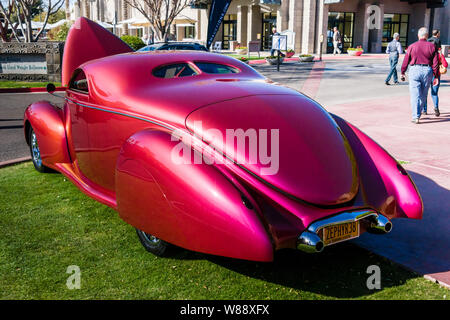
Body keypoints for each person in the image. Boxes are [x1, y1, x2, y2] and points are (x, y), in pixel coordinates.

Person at [401, 27, 439, 124]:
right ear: (427, 36)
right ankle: (419, 113)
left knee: (415, 95)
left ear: (418, 35)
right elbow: (435, 63)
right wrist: (436, 76)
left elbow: (406, 60)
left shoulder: (412, 46)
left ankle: (415, 116)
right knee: (423, 94)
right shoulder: (432, 46)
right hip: (427, 70)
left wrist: (403, 71)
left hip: (414, 69)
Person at [424, 47, 448, 116]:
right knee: (434, 93)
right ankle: (436, 107)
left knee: (424, 92)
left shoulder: (426, 54)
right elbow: (445, 65)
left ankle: (424, 110)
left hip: (427, 75)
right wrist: (441, 55)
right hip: (436, 76)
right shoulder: (439, 54)